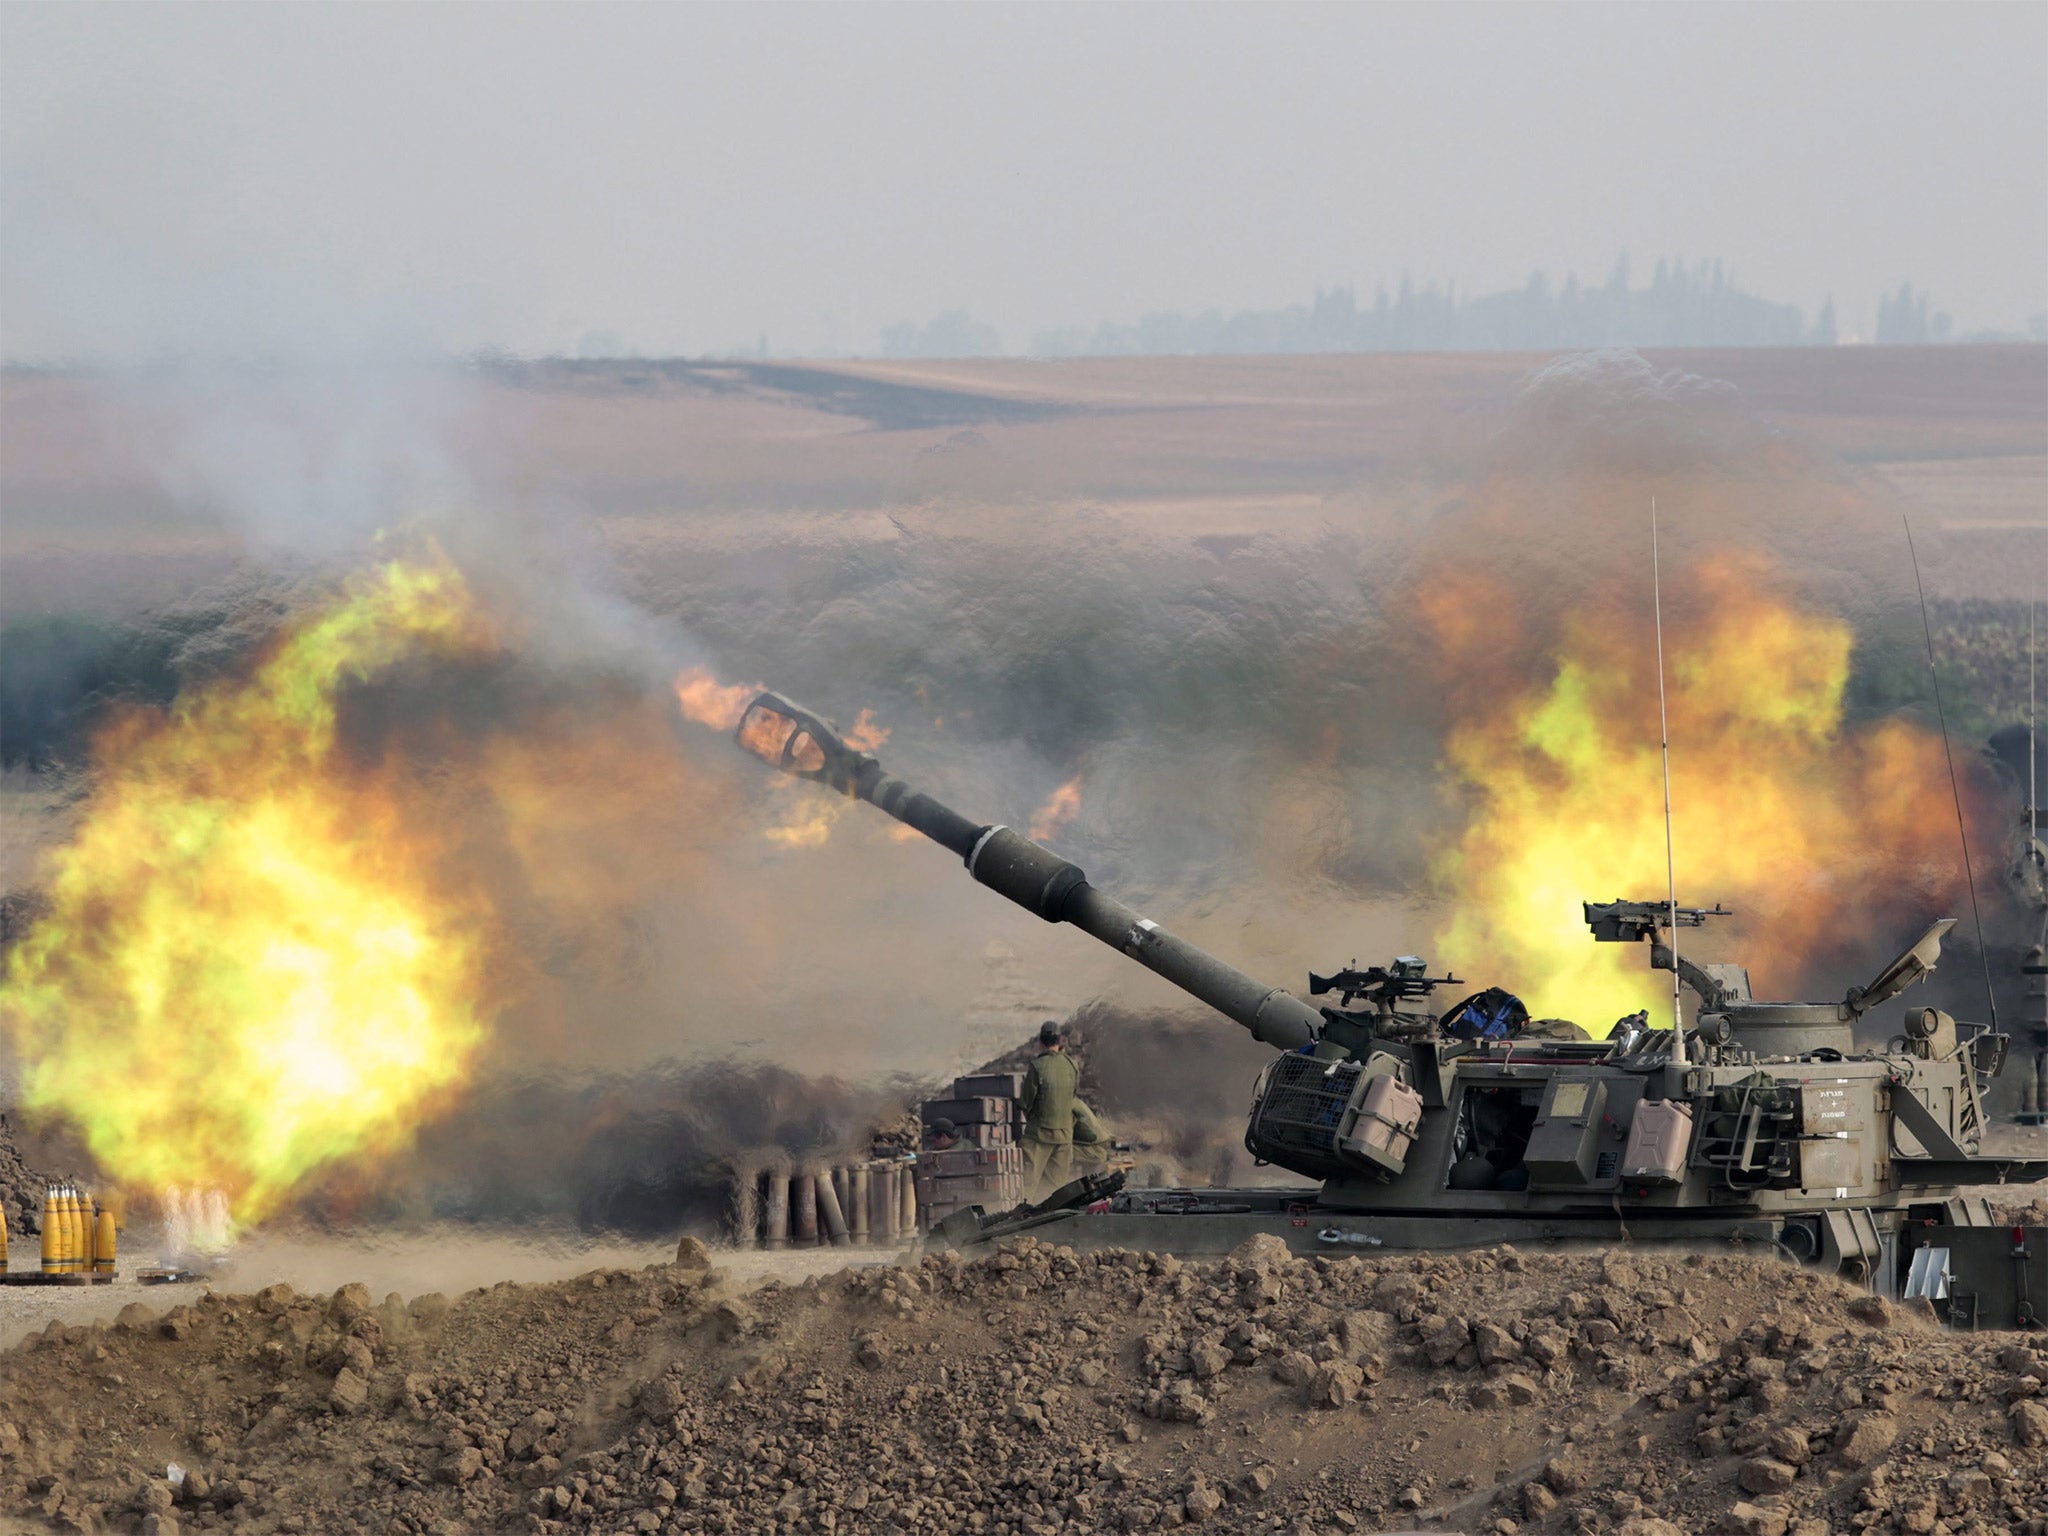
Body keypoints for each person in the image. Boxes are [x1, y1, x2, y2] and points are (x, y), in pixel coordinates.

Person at [1019, 1019, 1079, 1199]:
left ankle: (1021, 1218)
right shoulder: (1071, 1065)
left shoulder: (1037, 1066)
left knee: (1027, 1183)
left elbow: (1026, 1102)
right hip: (1065, 1134)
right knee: (1057, 1186)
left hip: (1039, 1134)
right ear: (1060, 1040)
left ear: (1041, 1041)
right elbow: (1073, 1096)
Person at [1070, 1100, 1109, 1175]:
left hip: (1093, 1149)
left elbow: (1090, 1135)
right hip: (1096, 1148)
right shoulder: (1076, 1102)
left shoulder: (1068, 1104)